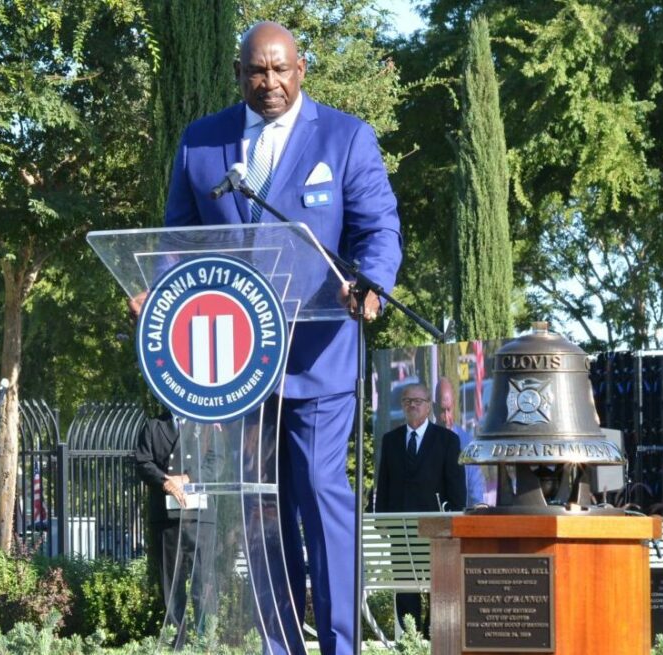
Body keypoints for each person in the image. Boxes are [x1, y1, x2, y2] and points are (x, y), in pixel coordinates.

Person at [156, 21, 403, 655]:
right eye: (256, 72)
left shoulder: (346, 137)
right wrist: (155, 292)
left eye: (281, 70)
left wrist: (370, 283)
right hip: (238, 368)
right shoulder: (201, 145)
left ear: (301, 71)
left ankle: (341, 646)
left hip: (319, 357)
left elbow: (378, 230)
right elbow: (176, 244)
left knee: (321, 498)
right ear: (238, 74)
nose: (270, 83)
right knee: (262, 515)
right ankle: (281, 646)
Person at [374, 383, 465, 637]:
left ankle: (433, 638)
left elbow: (456, 487)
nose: (412, 405)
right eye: (406, 401)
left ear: (429, 406)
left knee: (438, 586)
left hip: (436, 526)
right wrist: (382, 521)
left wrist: (454, 521)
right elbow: (384, 483)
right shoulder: (391, 440)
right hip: (400, 527)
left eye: (417, 400)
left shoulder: (447, 440)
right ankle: (411, 642)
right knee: (406, 589)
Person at [134, 412, 218, 644]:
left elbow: (216, 461)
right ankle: (175, 644)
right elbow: (143, 461)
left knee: (203, 583)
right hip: (167, 518)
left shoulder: (208, 423)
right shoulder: (153, 426)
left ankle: (206, 643)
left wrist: (187, 478)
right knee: (171, 586)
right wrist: (165, 481)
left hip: (201, 515)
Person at [435, 378, 486, 506]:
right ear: (434, 408)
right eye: (442, 411)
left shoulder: (468, 444)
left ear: (454, 406)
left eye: (449, 410)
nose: (446, 418)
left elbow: (476, 492)